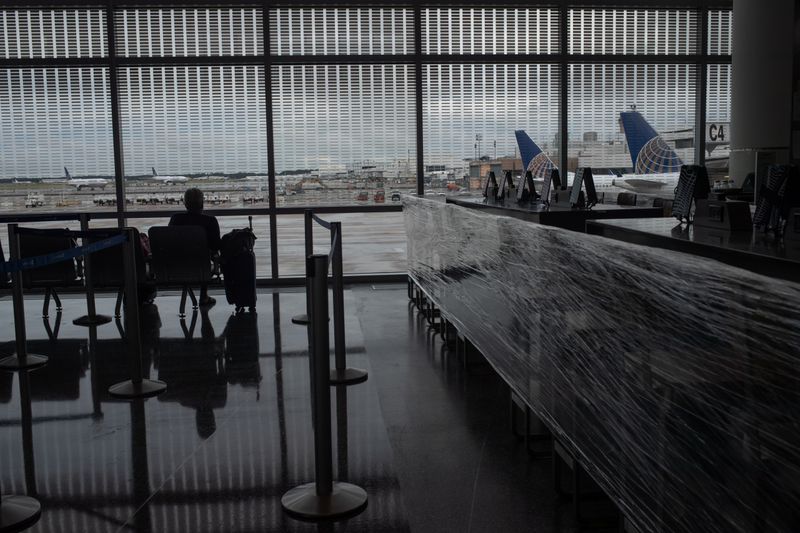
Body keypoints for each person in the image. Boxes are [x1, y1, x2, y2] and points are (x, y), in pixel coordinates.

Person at [169, 188, 220, 307]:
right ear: (202, 203)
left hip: (177, 267)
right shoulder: (210, 221)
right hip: (202, 267)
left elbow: (171, 242)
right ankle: (203, 295)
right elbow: (215, 246)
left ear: (185, 203)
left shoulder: (176, 219)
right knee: (204, 260)